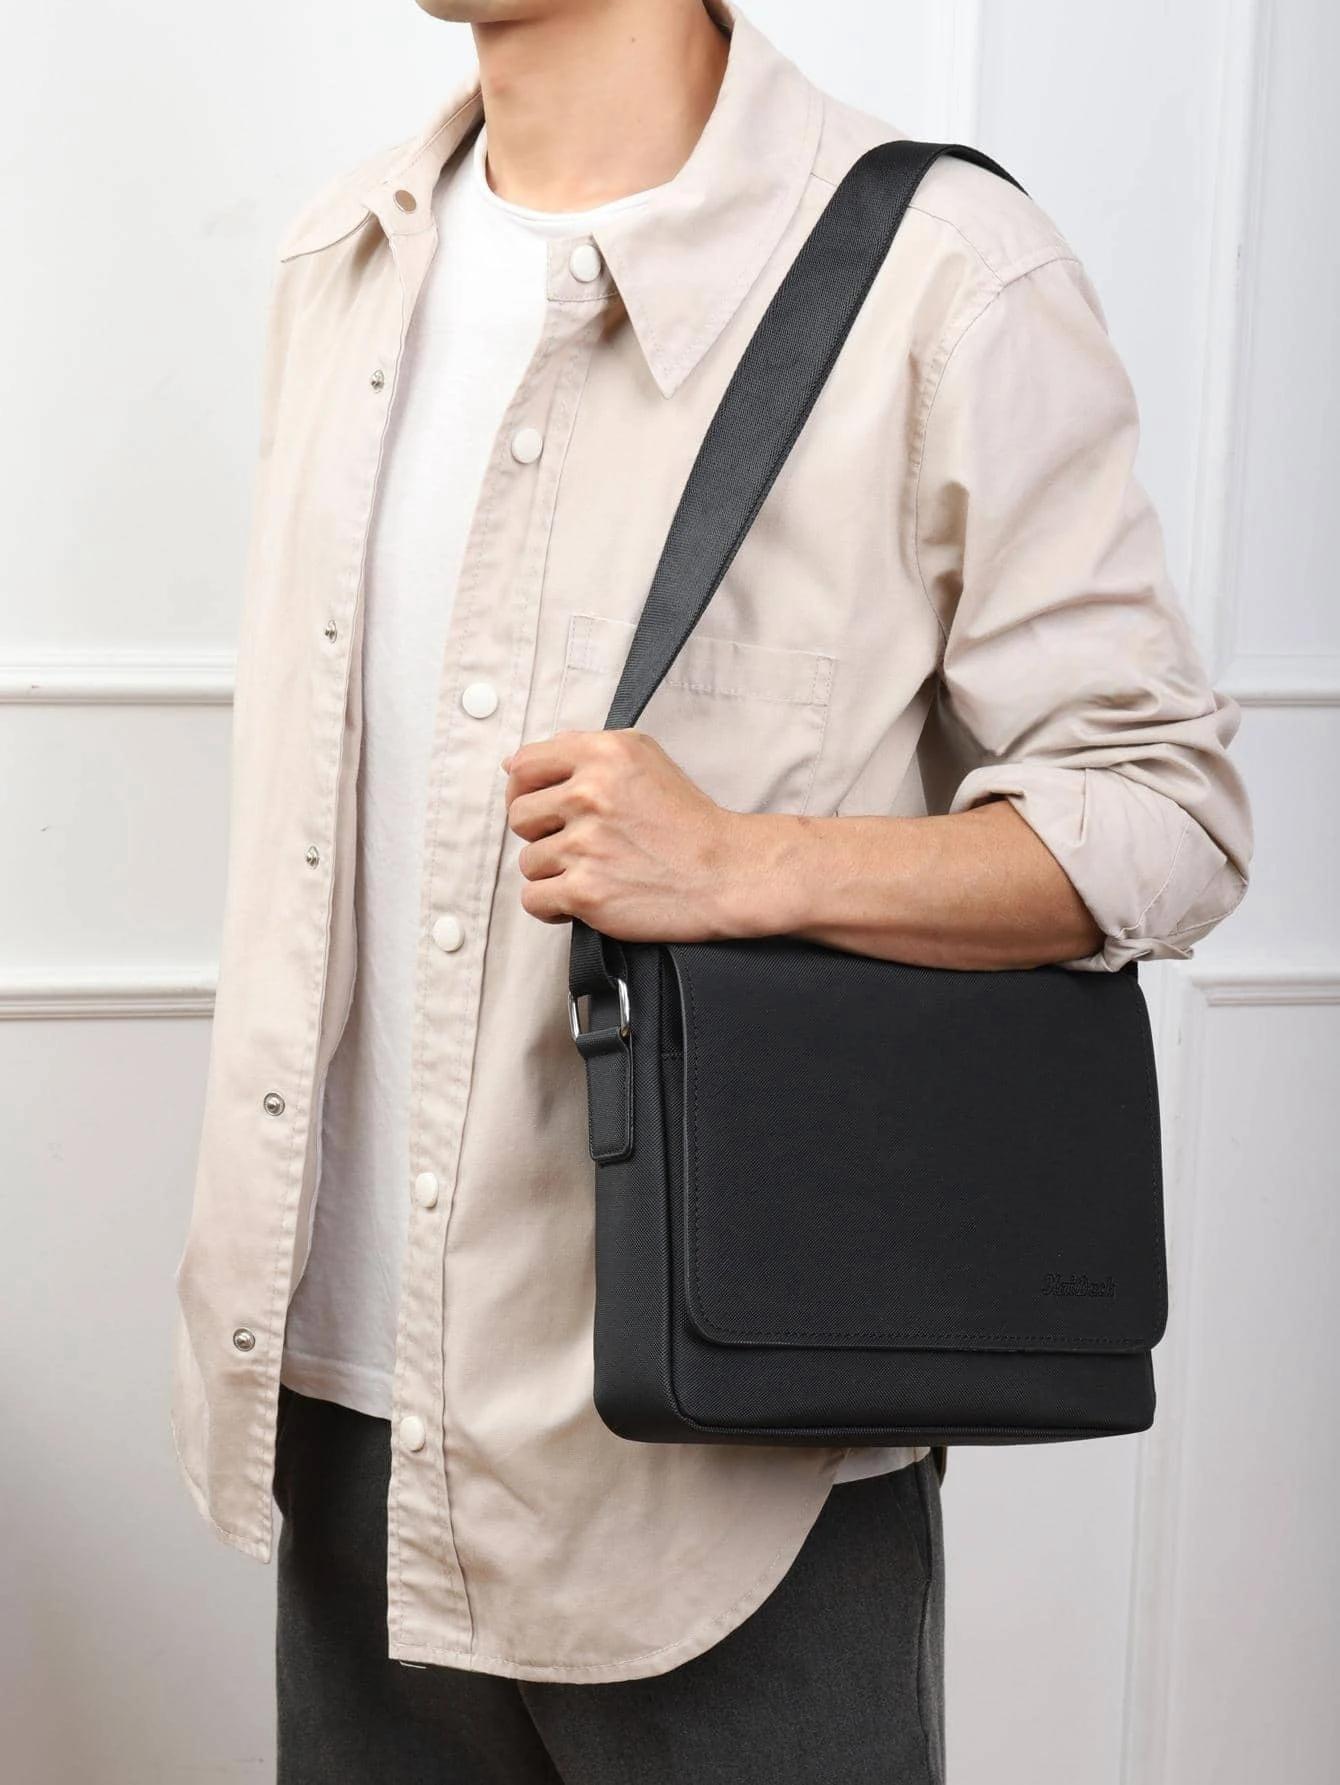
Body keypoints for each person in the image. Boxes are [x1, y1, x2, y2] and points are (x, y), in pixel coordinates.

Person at [167, 0, 1253, 1778]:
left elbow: (1168, 812)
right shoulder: (344, 259)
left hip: (729, 1458)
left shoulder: (942, 276)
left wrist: (744, 863)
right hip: (345, 1425)